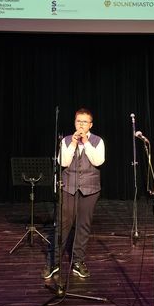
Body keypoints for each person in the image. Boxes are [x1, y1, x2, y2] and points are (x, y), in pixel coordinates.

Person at [42, 108, 105, 280]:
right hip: (68, 187)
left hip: (90, 189)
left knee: (83, 226)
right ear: (75, 123)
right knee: (62, 226)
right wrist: (74, 144)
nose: (81, 125)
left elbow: (98, 161)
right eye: (78, 121)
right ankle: (53, 262)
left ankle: (78, 261)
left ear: (90, 124)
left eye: (85, 122)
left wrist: (86, 142)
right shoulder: (66, 140)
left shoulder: (98, 141)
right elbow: (62, 162)